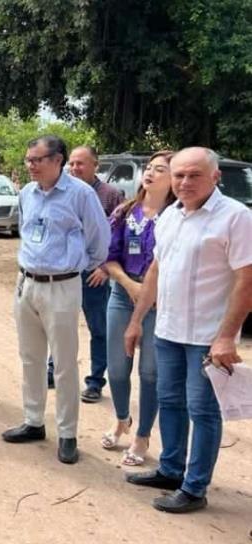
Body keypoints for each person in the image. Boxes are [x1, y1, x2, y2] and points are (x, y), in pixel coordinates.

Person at [124, 147, 252, 513]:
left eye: (194, 175)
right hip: (168, 330)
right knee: (170, 402)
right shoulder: (170, 217)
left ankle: (195, 488)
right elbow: (155, 271)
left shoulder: (236, 217)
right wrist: (137, 321)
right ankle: (171, 468)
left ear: (215, 177)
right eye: (178, 175)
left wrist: (227, 336)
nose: (184, 182)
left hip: (207, 337)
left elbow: (247, 279)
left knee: (203, 411)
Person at [1, 135, 109, 465]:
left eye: (37, 159)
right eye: (28, 160)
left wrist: (74, 267)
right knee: (31, 358)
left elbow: (99, 241)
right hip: (27, 283)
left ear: (57, 160)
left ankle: (67, 433)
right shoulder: (26, 194)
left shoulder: (81, 195)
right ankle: (34, 422)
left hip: (62, 286)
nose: (30, 165)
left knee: (63, 364)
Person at [99, 150, 176, 465]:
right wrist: (130, 285)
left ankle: (142, 436)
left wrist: (153, 290)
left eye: (161, 169)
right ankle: (121, 419)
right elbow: (107, 255)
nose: (151, 172)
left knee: (150, 373)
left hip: (162, 300)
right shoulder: (124, 211)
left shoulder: (177, 215)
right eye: (150, 167)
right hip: (122, 293)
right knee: (117, 368)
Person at [47, 146, 125, 400]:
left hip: (93, 275)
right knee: (58, 324)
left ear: (96, 165)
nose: (74, 168)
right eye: (71, 163)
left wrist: (104, 267)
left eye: (81, 163)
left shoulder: (111, 195)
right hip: (64, 273)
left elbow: (117, 236)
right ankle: (52, 370)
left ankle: (95, 381)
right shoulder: (62, 192)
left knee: (98, 329)